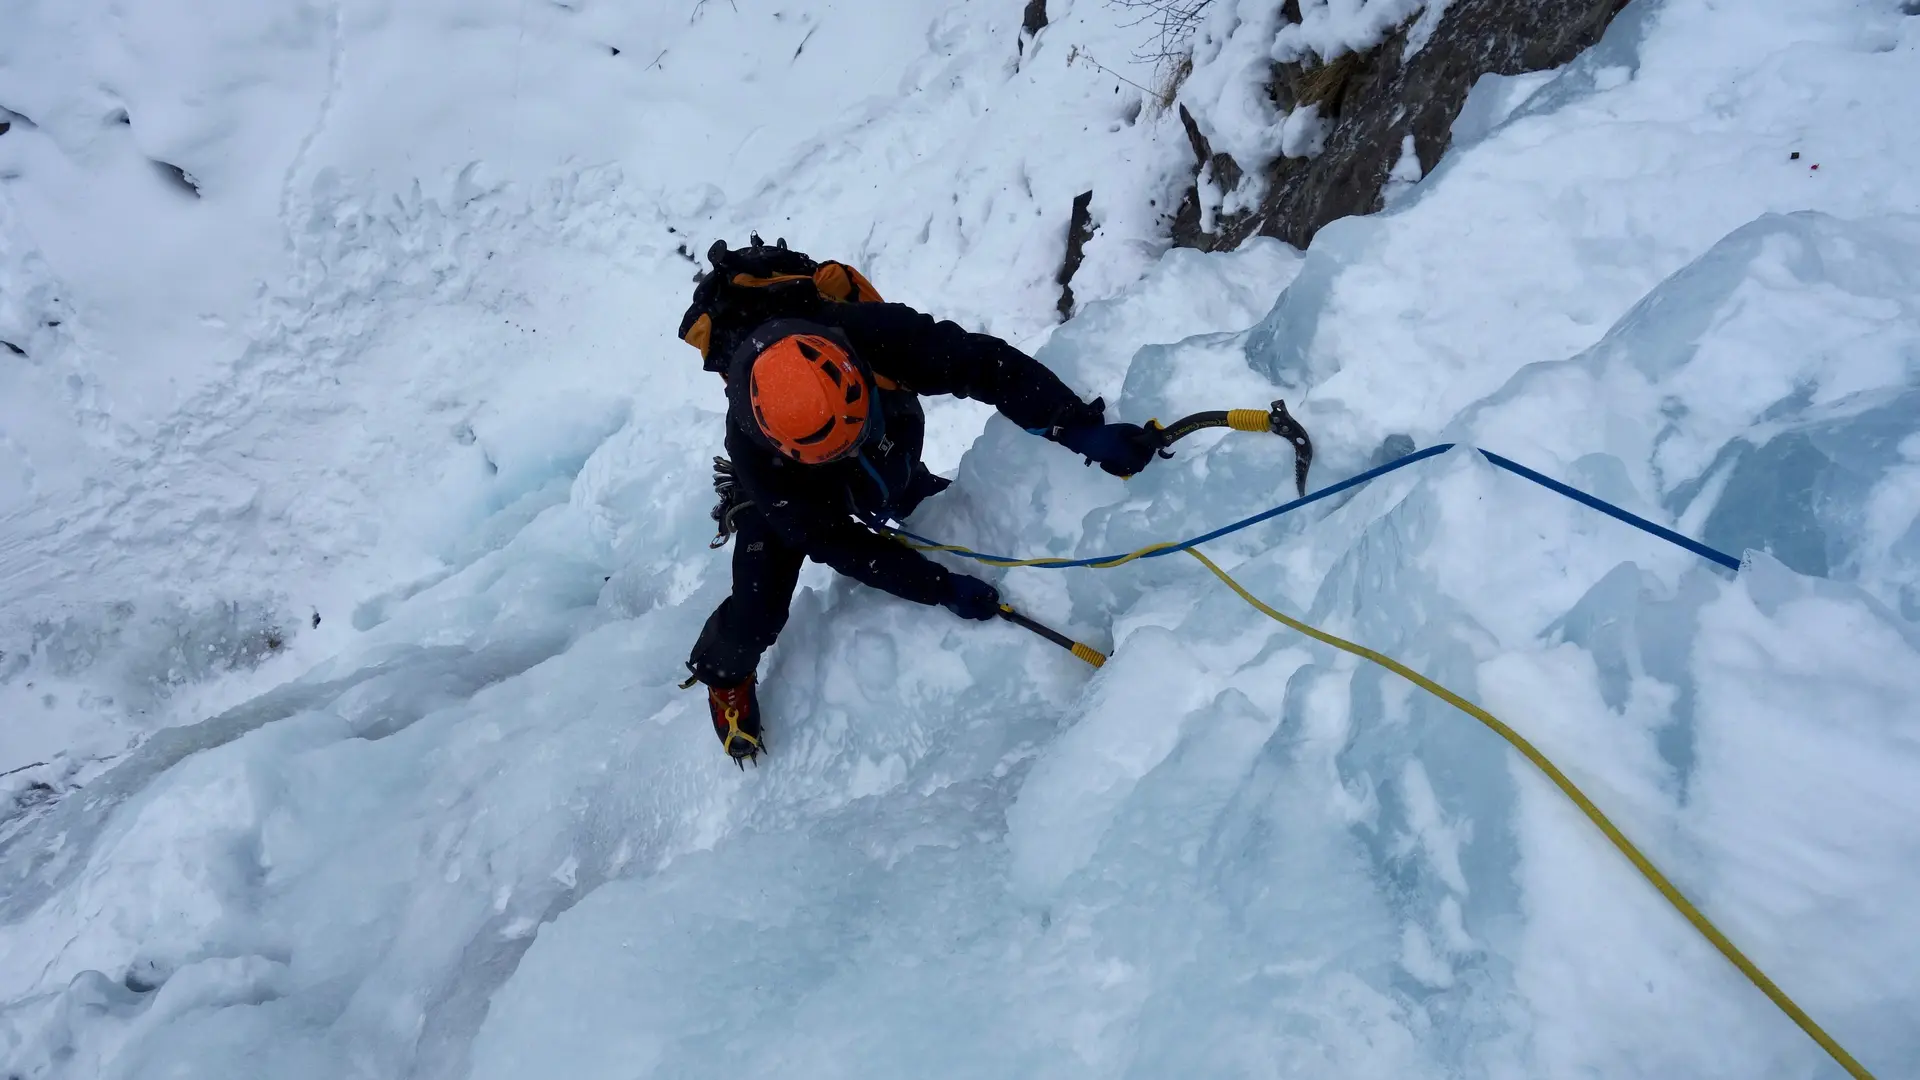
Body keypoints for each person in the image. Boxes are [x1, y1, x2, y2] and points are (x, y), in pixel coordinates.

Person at [680, 238, 1159, 764]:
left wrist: (1075, 425)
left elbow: (985, 365)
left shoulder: (871, 334)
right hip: (787, 489)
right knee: (759, 607)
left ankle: (887, 475)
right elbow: (835, 542)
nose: (850, 447)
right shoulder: (754, 451)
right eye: (837, 449)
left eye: (853, 433)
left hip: (888, 442)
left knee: (904, 486)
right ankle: (724, 674)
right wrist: (938, 587)